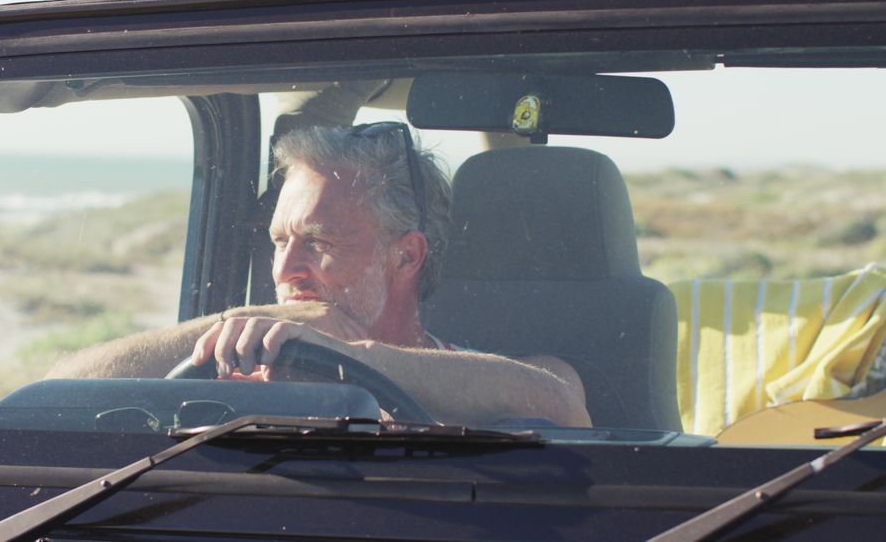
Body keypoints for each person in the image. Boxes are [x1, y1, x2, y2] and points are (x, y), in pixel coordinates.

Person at [48, 122, 591, 427]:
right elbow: (48, 398)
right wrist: (231, 327)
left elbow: (562, 404)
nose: (285, 270)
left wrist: (347, 359)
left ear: (405, 257)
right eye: (280, 241)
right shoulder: (220, 384)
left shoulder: (483, 378)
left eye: (320, 243)